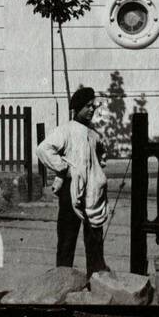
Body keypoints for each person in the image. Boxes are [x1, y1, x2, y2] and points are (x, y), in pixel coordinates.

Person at [37, 86, 109, 276]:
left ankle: (95, 277)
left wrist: (98, 170)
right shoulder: (65, 131)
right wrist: (64, 168)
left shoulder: (94, 135)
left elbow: (99, 159)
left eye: (93, 106)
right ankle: (62, 278)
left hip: (93, 193)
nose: (92, 110)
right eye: (87, 106)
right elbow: (44, 149)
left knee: (94, 236)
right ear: (76, 108)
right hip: (71, 191)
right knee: (67, 237)